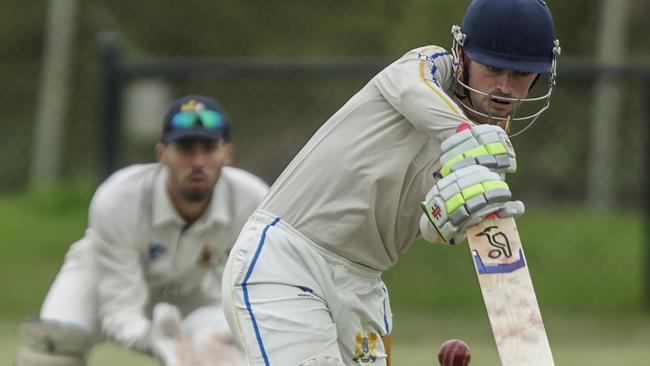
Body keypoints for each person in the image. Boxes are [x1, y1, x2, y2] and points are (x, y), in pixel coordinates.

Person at [222, 0, 561, 365]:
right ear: (462, 54)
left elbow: (433, 228)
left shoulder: (489, 145)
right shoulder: (426, 68)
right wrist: (467, 134)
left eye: (521, 74)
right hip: (287, 259)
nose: (505, 87)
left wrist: (456, 219)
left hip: (362, 284)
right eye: (493, 68)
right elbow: (411, 93)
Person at [16, 95, 268, 366]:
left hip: (197, 293)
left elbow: (256, 295)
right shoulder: (118, 198)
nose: (198, 161)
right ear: (162, 154)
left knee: (223, 353)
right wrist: (156, 341)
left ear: (227, 154)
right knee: (50, 349)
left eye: (208, 148)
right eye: (185, 148)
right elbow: (119, 308)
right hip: (103, 278)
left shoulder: (253, 201)